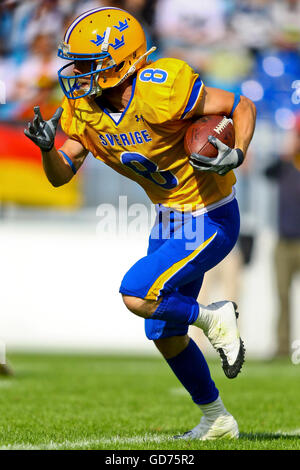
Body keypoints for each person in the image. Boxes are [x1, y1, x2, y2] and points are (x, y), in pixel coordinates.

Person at [24, 6, 256, 440]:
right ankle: (217, 419)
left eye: (89, 63)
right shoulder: (84, 109)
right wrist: (46, 150)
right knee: (164, 332)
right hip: (170, 217)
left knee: (136, 292)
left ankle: (213, 318)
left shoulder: (160, 88)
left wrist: (237, 151)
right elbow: (61, 176)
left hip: (210, 215)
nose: (78, 72)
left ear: (122, 60)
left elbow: (242, 105)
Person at [265, 116, 300, 357]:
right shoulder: (286, 165)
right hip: (283, 241)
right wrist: (286, 153)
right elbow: (266, 172)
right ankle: (281, 348)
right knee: (282, 297)